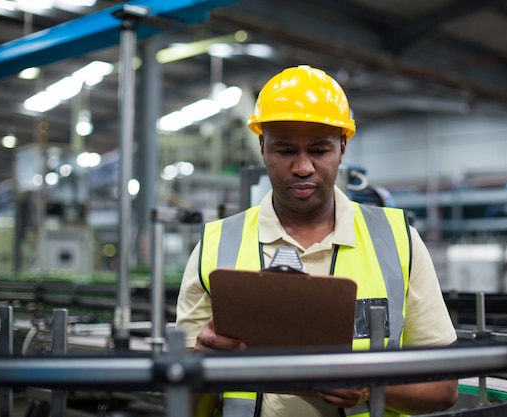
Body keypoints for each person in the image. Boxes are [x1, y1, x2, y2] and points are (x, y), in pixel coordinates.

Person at [176, 65, 458, 417]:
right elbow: (181, 405)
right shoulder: (215, 246)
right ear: (262, 147)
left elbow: (444, 388)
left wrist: (370, 387)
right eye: (285, 151)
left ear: (342, 147)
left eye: (319, 150)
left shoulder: (399, 241)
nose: (303, 167)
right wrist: (202, 369)